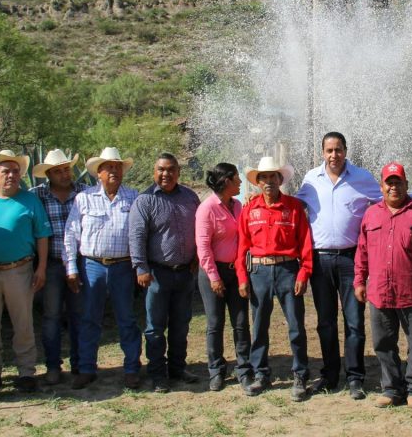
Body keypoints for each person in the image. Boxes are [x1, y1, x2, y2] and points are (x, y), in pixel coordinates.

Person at [295, 132, 382, 400]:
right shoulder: (311, 179)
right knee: (325, 322)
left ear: (346, 150)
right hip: (320, 261)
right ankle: (330, 374)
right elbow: (295, 207)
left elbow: (385, 202)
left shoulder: (362, 178)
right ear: (322, 152)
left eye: (338, 150)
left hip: (350, 259)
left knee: (354, 321)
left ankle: (355, 377)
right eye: (329, 150)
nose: (334, 155)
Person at [354, 162, 412, 410]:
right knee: (383, 343)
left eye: (398, 182)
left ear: (406, 184)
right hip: (380, 291)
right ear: (381, 186)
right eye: (389, 182)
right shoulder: (371, 214)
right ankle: (391, 388)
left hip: (410, 290)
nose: (394, 187)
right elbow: (362, 251)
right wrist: (359, 280)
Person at [0, 150, 51, 393]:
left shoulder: (30, 201)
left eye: (15, 171)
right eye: (6, 171)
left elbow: (42, 236)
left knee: (22, 322)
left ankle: (26, 371)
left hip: (20, 269)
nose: (11, 176)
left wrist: (42, 268)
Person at [235, 156, 313, 402]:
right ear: (257, 182)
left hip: (288, 272)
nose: (268, 181)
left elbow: (305, 244)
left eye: (273, 176)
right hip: (258, 273)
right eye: (264, 177)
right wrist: (242, 278)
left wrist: (304, 272)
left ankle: (300, 375)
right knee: (259, 328)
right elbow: (242, 248)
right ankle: (261, 374)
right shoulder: (249, 209)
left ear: (280, 179)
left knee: (296, 327)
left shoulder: (294, 208)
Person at [64, 147, 141, 390]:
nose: (114, 171)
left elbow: (139, 234)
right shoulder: (84, 198)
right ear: (98, 173)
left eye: (117, 167)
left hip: (123, 266)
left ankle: (132, 369)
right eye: (109, 167)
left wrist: (140, 266)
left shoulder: (134, 197)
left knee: (127, 319)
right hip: (91, 266)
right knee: (89, 319)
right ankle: (87, 368)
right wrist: (71, 268)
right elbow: (71, 234)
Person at [129, 153, 201, 393]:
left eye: (171, 169)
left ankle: (178, 368)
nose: (165, 174)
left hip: (185, 273)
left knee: (181, 324)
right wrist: (141, 267)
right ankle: (158, 374)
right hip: (157, 274)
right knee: (155, 327)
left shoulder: (190, 197)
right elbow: (137, 236)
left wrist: (197, 257)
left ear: (178, 172)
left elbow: (200, 230)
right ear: (154, 171)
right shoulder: (145, 200)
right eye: (161, 169)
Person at [30, 149, 87, 385]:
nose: (64, 174)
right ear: (48, 174)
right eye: (58, 171)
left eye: (66, 169)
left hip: (80, 261)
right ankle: (53, 365)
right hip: (51, 263)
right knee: (51, 316)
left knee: (78, 314)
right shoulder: (37, 196)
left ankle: (79, 363)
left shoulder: (85, 192)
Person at [195, 163, 251, 392]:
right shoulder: (207, 208)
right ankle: (216, 371)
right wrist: (214, 277)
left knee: (240, 322)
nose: (240, 182)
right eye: (237, 178)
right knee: (215, 323)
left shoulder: (237, 205)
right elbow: (203, 246)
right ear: (226, 180)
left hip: (236, 271)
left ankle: (244, 369)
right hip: (213, 273)